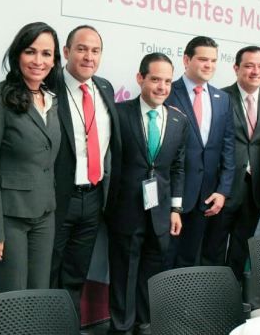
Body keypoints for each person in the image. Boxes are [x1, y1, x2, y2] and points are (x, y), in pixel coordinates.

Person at [106, 53, 187, 335]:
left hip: (161, 213)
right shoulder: (118, 114)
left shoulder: (178, 120)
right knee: (123, 274)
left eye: (167, 81)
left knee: (151, 273)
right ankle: (121, 328)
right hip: (125, 210)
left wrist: (175, 209)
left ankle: (144, 324)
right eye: (155, 79)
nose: (162, 87)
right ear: (140, 78)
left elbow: (178, 167)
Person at [0, 22, 62, 292]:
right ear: (17, 55)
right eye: (30, 51)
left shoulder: (52, 100)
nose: (38, 61)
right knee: (13, 298)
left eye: (46, 54)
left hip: (45, 213)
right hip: (10, 217)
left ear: (54, 60)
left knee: (39, 294)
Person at [50, 25, 121, 324]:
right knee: (49, 273)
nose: (89, 56)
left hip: (92, 198)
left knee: (76, 274)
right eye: (81, 49)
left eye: (95, 50)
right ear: (66, 52)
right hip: (57, 198)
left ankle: (68, 327)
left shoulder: (104, 87)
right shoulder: (49, 85)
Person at [213, 46, 260, 281]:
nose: (256, 71)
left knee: (241, 247)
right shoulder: (220, 97)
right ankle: (210, 293)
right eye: (249, 65)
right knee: (214, 246)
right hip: (223, 187)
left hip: (255, 189)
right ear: (236, 68)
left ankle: (232, 293)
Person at [165, 36, 235, 269]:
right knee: (164, 259)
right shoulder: (167, 91)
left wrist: (223, 191)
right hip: (172, 194)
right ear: (187, 60)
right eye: (203, 59)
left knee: (189, 260)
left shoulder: (223, 99)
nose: (209, 65)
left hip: (205, 197)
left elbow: (228, 148)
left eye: (213, 61)